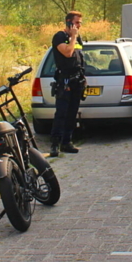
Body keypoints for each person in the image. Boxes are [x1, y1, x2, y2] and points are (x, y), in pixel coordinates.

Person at [50, 11, 85, 158]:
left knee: (72, 113)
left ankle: (66, 142)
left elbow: (79, 57)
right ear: (69, 22)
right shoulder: (60, 37)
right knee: (62, 113)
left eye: (80, 23)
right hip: (65, 80)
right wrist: (73, 37)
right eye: (76, 23)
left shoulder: (78, 39)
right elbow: (68, 53)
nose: (79, 26)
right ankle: (55, 144)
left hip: (77, 80)